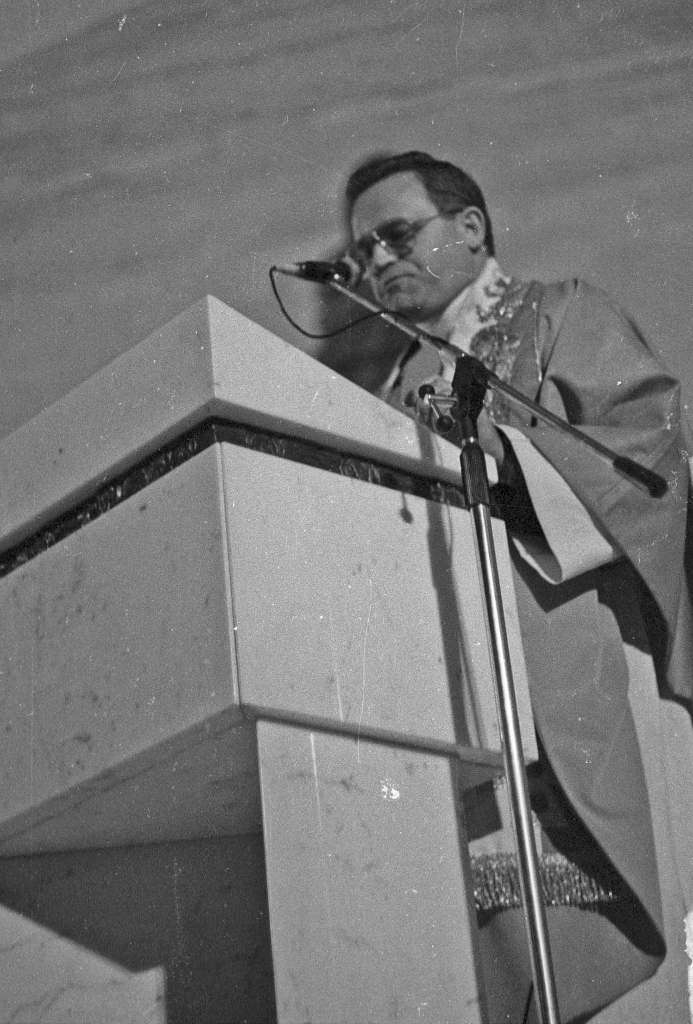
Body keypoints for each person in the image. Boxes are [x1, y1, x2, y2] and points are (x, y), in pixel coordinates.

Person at [341, 150, 693, 1023]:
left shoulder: (563, 314)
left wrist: (509, 455)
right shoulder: (389, 387)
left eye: (396, 234)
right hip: (458, 693)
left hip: (588, 659)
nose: (378, 261)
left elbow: (648, 458)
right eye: (363, 252)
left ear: (471, 227)